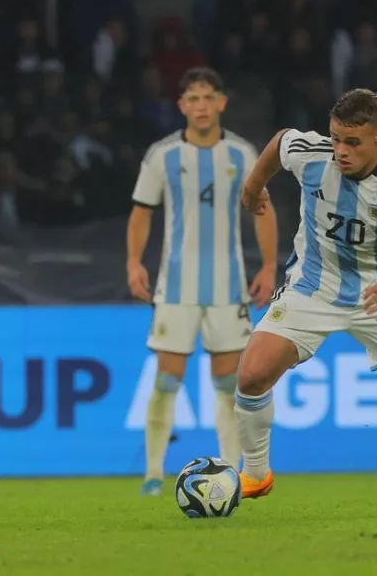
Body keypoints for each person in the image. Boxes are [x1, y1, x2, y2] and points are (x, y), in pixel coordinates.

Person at [234, 88, 377, 515]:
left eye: (352, 142)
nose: (339, 150)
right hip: (312, 287)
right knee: (250, 376)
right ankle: (256, 472)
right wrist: (252, 186)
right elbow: (281, 142)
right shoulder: (313, 153)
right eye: (336, 138)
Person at [126, 67, 278, 496]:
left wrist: (268, 266)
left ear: (222, 103)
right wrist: (134, 262)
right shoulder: (163, 155)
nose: (201, 106)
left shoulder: (241, 155)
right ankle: (153, 474)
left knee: (230, 382)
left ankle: (231, 472)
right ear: (182, 107)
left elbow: (262, 208)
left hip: (229, 286)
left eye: (208, 97)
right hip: (176, 286)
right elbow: (142, 210)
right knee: (167, 377)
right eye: (192, 98)